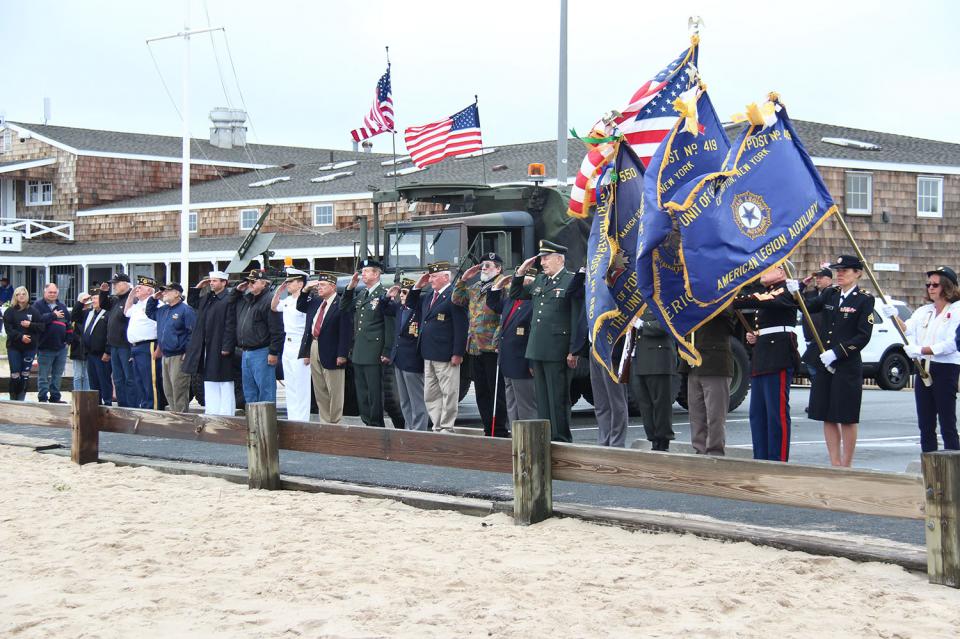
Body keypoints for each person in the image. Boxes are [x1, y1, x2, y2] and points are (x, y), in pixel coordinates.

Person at [791, 256, 874, 467]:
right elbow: (807, 308)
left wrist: (837, 352)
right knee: (827, 414)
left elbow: (863, 336)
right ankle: (834, 462)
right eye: (838, 270)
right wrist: (796, 290)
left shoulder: (864, 299)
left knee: (845, 416)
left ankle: (846, 464)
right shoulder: (830, 293)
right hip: (825, 363)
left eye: (845, 270)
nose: (840, 274)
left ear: (858, 273)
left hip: (846, 364)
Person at [509, 240, 583, 443]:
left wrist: (573, 350)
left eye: (546, 258)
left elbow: (576, 318)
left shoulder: (571, 281)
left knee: (558, 398)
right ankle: (546, 438)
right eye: (541, 258)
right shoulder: (541, 281)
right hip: (537, 348)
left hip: (558, 349)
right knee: (541, 398)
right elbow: (515, 293)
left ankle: (561, 438)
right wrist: (521, 272)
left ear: (559, 259)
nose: (542, 262)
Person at [881, 265, 960, 452]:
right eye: (929, 284)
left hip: (944, 368)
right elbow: (907, 329)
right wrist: (894, 316)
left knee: (947, 421)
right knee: (925, 422)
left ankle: (954, 467)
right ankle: (929, 464)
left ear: (947, 286)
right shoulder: (925, 311)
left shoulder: (957, 310)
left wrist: (921, 349)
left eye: (935, 285)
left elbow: (952, 344)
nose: (930, 288)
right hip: (923, 366)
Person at [733, 263, 800, 462]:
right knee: (758, 414)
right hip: (763, 354)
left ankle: (777, 459)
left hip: (777, 355)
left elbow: (766, 302)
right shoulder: (767, 290)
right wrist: (757, 336)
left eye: (768, 269)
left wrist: (731, 300)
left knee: (776, 413)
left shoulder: (787, 289)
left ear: (781, 272)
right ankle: (761, 457)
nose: (762, 273)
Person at [452, 253, 509, 436]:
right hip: (476, 346)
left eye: (488, 265)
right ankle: (487, 427)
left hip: (493, 346)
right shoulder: (476, 286)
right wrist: (463, 279)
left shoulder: (504, 285)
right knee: (482, 391)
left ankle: (498, 429)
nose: (484, 268)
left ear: (498, 268)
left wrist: (499, 339)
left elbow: (505, 314)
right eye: (482, 265)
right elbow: (456, 299)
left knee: (496, 391)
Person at [408, 262, 468, 433]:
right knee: (431, 393)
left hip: (446, 353)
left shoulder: (454, 295)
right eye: (431, 276)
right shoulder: (429, 296)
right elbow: (412, 304)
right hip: (428, 352)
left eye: (434, 276)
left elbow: (461, 326)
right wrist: (419, 285)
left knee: (449, 392)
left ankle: (447, 426)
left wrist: (458, 352)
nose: (431, 279)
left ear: (446, 277)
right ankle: (437, 424)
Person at [342, 259, 395, 428]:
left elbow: (389, 324)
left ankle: (376, 424)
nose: (362, 274)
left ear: (377, 274)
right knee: (362, 391)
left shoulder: (384, 294)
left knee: (374, 391)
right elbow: (344, 308)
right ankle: (367, 422)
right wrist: (350, 288)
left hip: (374, 350)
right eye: (362, 271)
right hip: (359, 350)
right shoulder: (362, 294)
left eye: (366, 271)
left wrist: (387, 350)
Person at [680, 309, 736, 455]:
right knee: (696, 416)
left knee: (715, 416)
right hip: (694, 365)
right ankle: (700, 451)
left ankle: (714, 453)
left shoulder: (721, 299)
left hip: (715, 365)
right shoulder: (691, 303)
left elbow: (728, 318)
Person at [297, 272, 351, 424]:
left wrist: (342, 354)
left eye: (323, 285)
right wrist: (306, 289)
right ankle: (325, 419)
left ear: (333, 287)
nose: (319, 288)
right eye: (319, 285)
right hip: (315, 345)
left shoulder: (340, 303)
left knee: (334, 389)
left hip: (332, 349)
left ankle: (334, 420)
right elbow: (300, 306)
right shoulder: (316, 302)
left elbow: (345, 331)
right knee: (319, 387)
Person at [486, 273, 538, 427]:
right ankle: (516, 438)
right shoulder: (510, 300)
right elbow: (493, 304)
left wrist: (531, 363)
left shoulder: (533, 304)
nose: (517, 285)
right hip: (507, 361)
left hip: (522, 363)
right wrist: (498, 285)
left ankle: (529, 440)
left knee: (526, 407)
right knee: (512, 404)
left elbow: (532, 336)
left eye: (523, 282)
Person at [184, 271, 238, 416]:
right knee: (209, 378)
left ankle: (226, 412)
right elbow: (193, 302)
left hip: (220, 343)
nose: (212, 283)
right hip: (207, 343)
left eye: (215, 281)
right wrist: (198, 288)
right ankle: (212, 410)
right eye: (211, 281)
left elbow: (230, 324)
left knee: (224, 380)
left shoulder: (228, 299)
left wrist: (227, 346)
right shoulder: (208, 298)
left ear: (224, 282)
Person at [383, 278, 429, 431]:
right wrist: (388, 296)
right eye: (401, 292)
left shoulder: (419, 309)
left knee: (417, 400)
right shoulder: (399, 309)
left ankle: (419, 431)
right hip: (399, 359)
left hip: (413, 361)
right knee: (404, 401)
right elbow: (382, 309)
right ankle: (409, 428)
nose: (401, 295)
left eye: (405, 292)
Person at [232, 270, 284, 404]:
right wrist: (238, 291)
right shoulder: (247, 300)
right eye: (248, 281)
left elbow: (277, 329)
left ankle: (266, 423)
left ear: (264, 283)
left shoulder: (269, 300)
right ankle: (253, 423)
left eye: (253, 282)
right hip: (246, 351)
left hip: (262, 351)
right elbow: (230, 304)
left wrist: (273, 352)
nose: (249, 284)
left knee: (265, 391)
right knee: (249, 392)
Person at [632, 308, 678, 451]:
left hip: (659, 358)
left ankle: (663, 441)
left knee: (661, 404)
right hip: (640, 357)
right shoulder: (639, 302)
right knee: (645, 405)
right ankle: (653, 439)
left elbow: (668, 325)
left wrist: (642, 325)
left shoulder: (664, 299)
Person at [146, 282, 196, 412]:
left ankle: (182, 419)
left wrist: (188, 352)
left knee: (179, 388)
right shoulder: (163, 310)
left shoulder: (185, 310)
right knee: (168, 389)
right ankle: (174, 416)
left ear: (177, 293)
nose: (164, 293)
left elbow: (193, 333)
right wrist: (153, 298)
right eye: (163, 291)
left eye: (168, 291)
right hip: (166, 355)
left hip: (179, 355)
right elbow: (149, 312)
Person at [272, 269, 311, 422]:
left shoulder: (305, 301)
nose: (287, 284)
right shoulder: (288, 300)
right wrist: (278, 292)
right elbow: (274, 307)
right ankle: (293, 417)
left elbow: (309, 327)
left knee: (301, 384)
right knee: (291, 384)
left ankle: (302, 419)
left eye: (290, 281)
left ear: (300, 283)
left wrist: (307, 351)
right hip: (287, 344)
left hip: (300, 342)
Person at [99, 273, 139, 407]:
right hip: (114, 345)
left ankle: (132, 405)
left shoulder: (132, 299)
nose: (114, 286)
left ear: (125, 284)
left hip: (126, 346)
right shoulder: (116, 299)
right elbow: (104, 304)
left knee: (129, 378)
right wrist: (103, 293)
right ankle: (122, 404)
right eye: (113, 284)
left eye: (117, 283)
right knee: (117, 378)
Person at [125, 277, 162, 409]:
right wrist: (131, 294)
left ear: (149, 290)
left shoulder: (156, 304)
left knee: (150, 381)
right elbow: (126, 312)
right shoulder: (138, 305)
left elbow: (162, 325)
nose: (137, 289)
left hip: (149, 345)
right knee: (139, 380)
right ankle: (145, 407)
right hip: (136, 347)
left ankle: (154, 409)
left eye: (140, 287)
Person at [33, 283, 71, 404]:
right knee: (43, 375)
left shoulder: (62, 306)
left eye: (54, 292)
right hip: (45, 347)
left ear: (58, 293)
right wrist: (53, 315)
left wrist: (68, 340)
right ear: (45, 292)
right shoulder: (37, 306)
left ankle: (55, 397)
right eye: (50, 292)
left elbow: (68, 324)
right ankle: (42, 398)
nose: (52, 294)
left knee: (57, 375)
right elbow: (37, 320)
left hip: (61, 347)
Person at [3, 286, 42, 400]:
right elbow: (9, 330)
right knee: (15, 374)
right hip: (14, 347)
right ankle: (13, 399)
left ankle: (21, 400)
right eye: (18, 294)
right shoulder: (10, 311)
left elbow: (41, 326)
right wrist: (21, 337)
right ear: (15, 296)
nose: (21, 296)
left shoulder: (33, 311)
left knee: (25, 375)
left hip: (29, 348)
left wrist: (30, 325)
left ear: (27, 296)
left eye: (23, 294)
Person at [79, 289, 112, 405]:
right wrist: (80, 303)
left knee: (104, 380)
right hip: (90, 353)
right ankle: (95, 403)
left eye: (96, 298)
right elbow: (75, 316)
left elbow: (110, 333)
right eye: (92, 298)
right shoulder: (89, 313)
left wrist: (107, 351)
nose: (94, 301)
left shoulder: (107, 313)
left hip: (102, 354)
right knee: (93, 381)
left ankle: (107, 402)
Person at [801, 267, 834, 382]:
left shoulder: (833, 294)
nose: (818, 280)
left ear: (829, 280)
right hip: (810, 338)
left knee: (816, 368)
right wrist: (802, 286)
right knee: (812, 366)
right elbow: (800, 305)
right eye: (816, 278)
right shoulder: (811, 294)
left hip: (823, 339)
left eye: (821, 277)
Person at [69, 292, 93, 393]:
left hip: (88, 348)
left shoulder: (91, 314)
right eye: (85, 304)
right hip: (77, 348)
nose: (87, 306)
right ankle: (78, 396)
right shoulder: (77, 316)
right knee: (78, 375)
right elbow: (73, 316)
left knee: (87, 375)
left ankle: (87, 396)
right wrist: (80, 303)